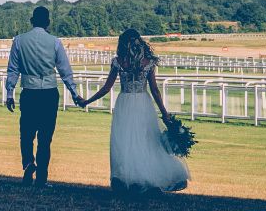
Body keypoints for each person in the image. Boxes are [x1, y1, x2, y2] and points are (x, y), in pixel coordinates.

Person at [77, 29, 189, 193]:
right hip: (143, 103)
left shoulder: (118, 62)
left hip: (124, 103)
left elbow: (107, 88)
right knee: (146, 141)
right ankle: (144, 178)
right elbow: (155, 91)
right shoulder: (148, 62)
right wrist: (164, 113)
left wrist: (87, 101)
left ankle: (126, 179)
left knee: (124, 142)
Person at [4, 5, 84, 187]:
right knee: (45, 138)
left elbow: (13, 70)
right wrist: (74, 93)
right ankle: (41, 178)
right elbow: (65, 71)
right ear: (48, 22)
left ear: (32, 21)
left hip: (29, 93)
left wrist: (10, 94)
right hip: (49, 93)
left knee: (26, 134)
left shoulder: (19, 41)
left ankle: (28, 163)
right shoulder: (54, 42)